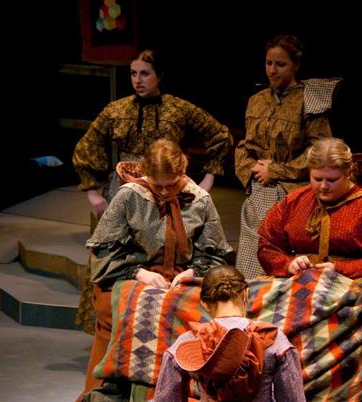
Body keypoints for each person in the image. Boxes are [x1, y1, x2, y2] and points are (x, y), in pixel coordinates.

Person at [73, 48, 232, 334]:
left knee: (168, 247)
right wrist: (91, 190)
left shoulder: (179, 109)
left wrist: (210, 177)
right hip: (123, 190)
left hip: (169, 187)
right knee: (111, 253)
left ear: (159, 76)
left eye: (144, 73)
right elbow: (87, 145)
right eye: (133, 74)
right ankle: (111, 330)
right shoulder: (117, 109)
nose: (137, 80)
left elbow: (221, 135)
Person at [77, 139, 232, 402]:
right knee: (118, 307)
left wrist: (193, 272)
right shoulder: (129, 196)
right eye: (157, 184)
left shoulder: (199, 200)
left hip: (181, 278)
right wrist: (138, 272)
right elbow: (104, 251)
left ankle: (175, 393)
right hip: (131, 274)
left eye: (170, 185)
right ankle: (112, 392)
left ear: (182, 173)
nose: (163, 191)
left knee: (199, 313)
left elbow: (213, 252)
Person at [234, 34, 341, 279]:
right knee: (253, 241)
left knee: (277, 243)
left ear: (296, 65)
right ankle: (248, 290)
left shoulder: (308, 100)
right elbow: (244, 146)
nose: (272, 70)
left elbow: (320, 148)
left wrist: (278, 171)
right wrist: (252, 174)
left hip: (295, 188)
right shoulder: (256, 101)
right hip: (259, 186)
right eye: (268, 63)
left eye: (280, 64)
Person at [257, 137, 362, 279]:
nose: (323, 186)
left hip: (355, 283)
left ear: (349, 173)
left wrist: (341, 268)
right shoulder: (295, 201)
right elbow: (267, 247)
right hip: (298, 280)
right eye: (317, 179)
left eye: (332, 180)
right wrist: (288, 264)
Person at [153, 265, 306, 401]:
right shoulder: (274, 338)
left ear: (204, 304)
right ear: (246, 294)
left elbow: (166, 398)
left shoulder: (187, 343)